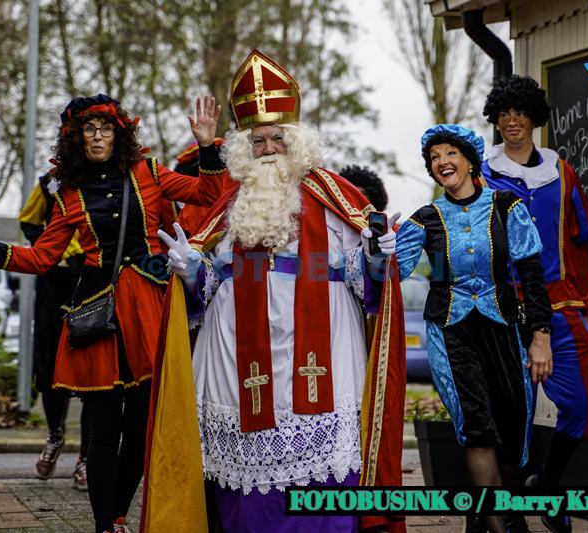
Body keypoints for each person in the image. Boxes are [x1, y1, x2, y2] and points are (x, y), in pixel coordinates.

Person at [141, 49, 406, 533]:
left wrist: (376, 254)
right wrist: (186, 271)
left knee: (324, 484)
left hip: (324, 358)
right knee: (246, 493)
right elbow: (208, 286)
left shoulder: (338, 199)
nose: (267, 149)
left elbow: (367, 282)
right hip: (235, 364)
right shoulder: (229, 207)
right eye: (257, 140)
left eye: (276, 138)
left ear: (297, 141)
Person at [0, 93, 224, 533]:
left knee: (141, 427)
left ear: (119, 133)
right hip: (97, 314)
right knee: (103, 430)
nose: (98, 136)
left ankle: (120, 511)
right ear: (75, 137)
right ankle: (105, 525)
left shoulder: (147, 171)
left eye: (106, 128)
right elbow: (42, 258)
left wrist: (206, 147)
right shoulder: (67, 193)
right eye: (89, 129)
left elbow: (208, 192)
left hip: (147, 310)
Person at [394, 124, 553, 533]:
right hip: (451, 332)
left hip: (503, 327)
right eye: (434, 157)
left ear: (468, 160)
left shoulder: (506, 207)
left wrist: (540, 335)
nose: (442, 162)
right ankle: (496, 524)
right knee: (477, 424)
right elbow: (389, 273)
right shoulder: (424, 220)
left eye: (450, 153)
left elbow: (533, 275)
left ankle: (497, 512)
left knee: (515, 420)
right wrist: (373, 244)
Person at [480, 75, 588, 533]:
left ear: (535, 117)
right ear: (496, 119)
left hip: (558, 304)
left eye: (521, 112)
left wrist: (584, 304)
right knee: (513, 414)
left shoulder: (563, 172)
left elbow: (579, 243)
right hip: (502, 306)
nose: (512, 121)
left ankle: (548, 483)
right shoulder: (482, 174)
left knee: (585, 406)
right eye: (504, 113)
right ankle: (510, 511)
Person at [18, 176, 88, 489]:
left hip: (92, 279)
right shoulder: (49, 183)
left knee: (94, 372)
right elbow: (28, 221)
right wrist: (50, 252)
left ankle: (87, 458)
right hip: (54, 282)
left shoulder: (117, 178)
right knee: (49, 370)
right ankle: (55, 436)